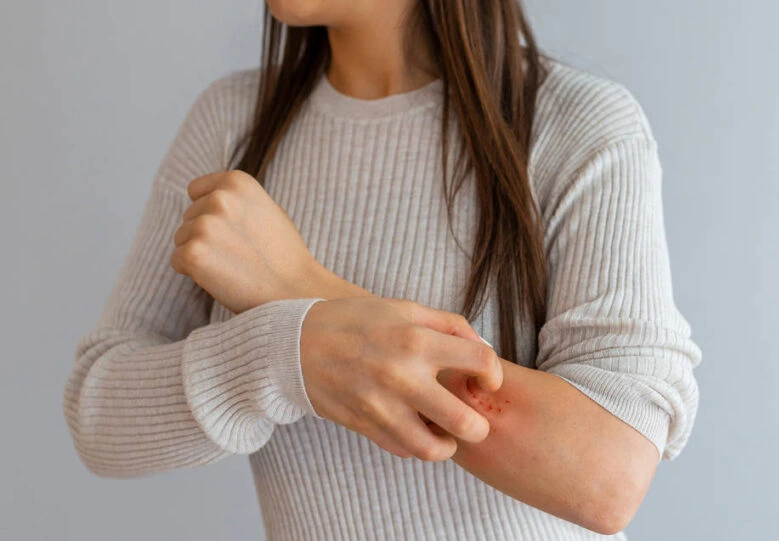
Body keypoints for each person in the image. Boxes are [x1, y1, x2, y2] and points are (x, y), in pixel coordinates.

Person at [62, 1, 703, 539]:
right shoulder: (232, 123)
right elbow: (98, 417)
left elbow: (607, 473)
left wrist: (299, 292)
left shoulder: (576, 124)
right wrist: (286, 356)